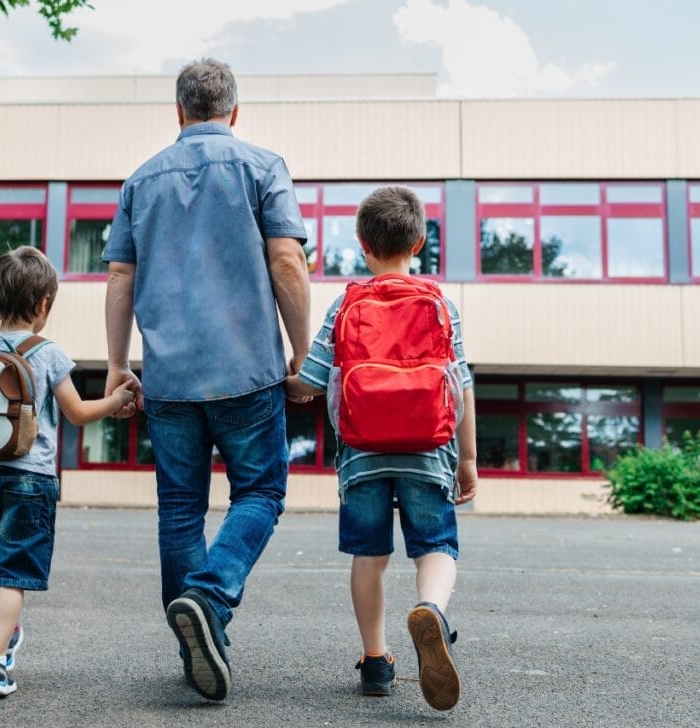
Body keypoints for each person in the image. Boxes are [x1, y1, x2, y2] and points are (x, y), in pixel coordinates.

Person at [102, 58, 311, 702]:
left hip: (167, 379)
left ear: (179, 113)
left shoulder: (140, 180)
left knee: (180, 510)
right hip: (247, 372)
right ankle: (209, 598)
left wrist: (117, 365)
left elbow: (118, 277)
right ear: (235, 112)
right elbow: (286, 261)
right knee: (261, 493)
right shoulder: (263, 167)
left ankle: (198, 637)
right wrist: (304, 355)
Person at [285, 186, 478, 711]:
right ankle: (431, 610)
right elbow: (460, 384)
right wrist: (467, 460)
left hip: (362, 454)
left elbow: (310, 382)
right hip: (429, 449)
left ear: (362, 243)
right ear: (418, 241)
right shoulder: (441, 303)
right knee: (436, 545)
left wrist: (288, 377)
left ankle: (375, 661)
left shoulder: (347, 302)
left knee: (369, 557)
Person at [0, 246, 135, 697]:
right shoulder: (48, 352)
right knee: (15, 570)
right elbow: (76, 413)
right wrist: (116, 402)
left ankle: (2, 636)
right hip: (29, 477)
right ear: (43, 305)